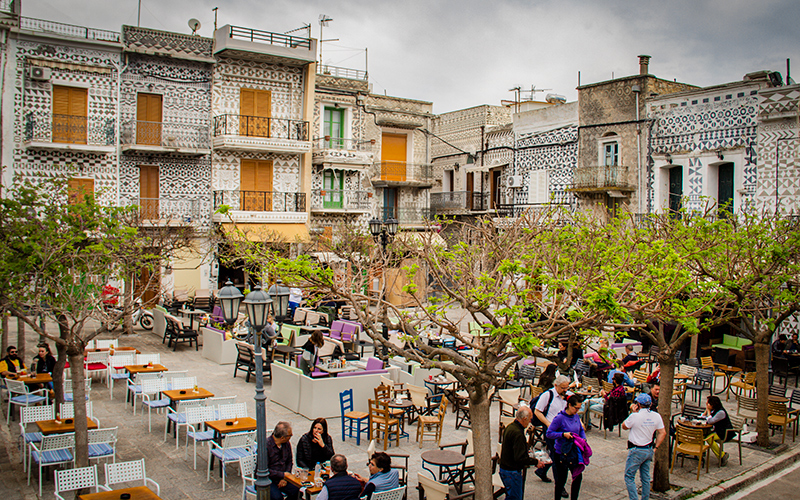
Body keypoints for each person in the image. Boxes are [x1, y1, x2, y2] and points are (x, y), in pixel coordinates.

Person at [622, 394, 666, 500]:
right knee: (645, 477)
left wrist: (632, 413)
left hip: (636, 449)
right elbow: (662, 433)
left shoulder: (635, 416)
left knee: (629, 476)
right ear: (650, 404)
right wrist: (655, 447)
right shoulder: (656, 416)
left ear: (638, 404)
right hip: (648, 449)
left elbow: (624, 426)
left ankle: (634, 498)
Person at [534, 375, 572, 494]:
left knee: (557, 454)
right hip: (552, 430)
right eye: (563, 388)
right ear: (556, 386)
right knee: (558, 458)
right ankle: (560, 486)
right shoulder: (547, 395)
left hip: (564, 431)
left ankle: (542, 471)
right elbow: (537, 411)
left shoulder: (567, 395)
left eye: (567, 387)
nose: (565, 390)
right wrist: (548, 424)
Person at [547, 395, 588, 500]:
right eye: (576, 408)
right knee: (561, 480)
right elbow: (549, 433)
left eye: (579, 408)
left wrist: (583, 438)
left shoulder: (576, 416)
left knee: (578, 477)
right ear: (569, 405)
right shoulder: (559, 418)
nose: (577, 410)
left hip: (573, 452)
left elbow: (581, 429)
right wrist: (562, 434)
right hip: (561, 453)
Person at [499, 406, 544, 500]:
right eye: (530, 419)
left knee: (511, 496)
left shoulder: (510, 427)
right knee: (515, 497)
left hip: (505, 469)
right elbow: (520, 458)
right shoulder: (518, 434)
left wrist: (523, 450)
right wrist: (536, 462)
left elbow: (512, 448)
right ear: (524, 419)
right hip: (512, 472)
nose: (530, 422)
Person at [266, 421, 300, 500]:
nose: (291, 436)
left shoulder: (286, 444)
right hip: (269, 479)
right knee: (277, 497)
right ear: (282, 438)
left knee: (296, 490)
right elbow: (264, 470)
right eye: (290, 435)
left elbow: (289, 461)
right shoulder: (266, 446)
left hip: (283, 477)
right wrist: (282, 475)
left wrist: (285, 478)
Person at [701, 395, 733, 466]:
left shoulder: (721, 412)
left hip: (724, 433)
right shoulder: (715, 410)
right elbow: (703, 417)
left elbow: (710, 421)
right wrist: (706, 411)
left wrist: (708, 411)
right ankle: (701, 451)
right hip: (718, 431)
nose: (706, 404)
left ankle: (722, 455)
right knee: (702, 434)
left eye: (708, 403)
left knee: (709, 439)